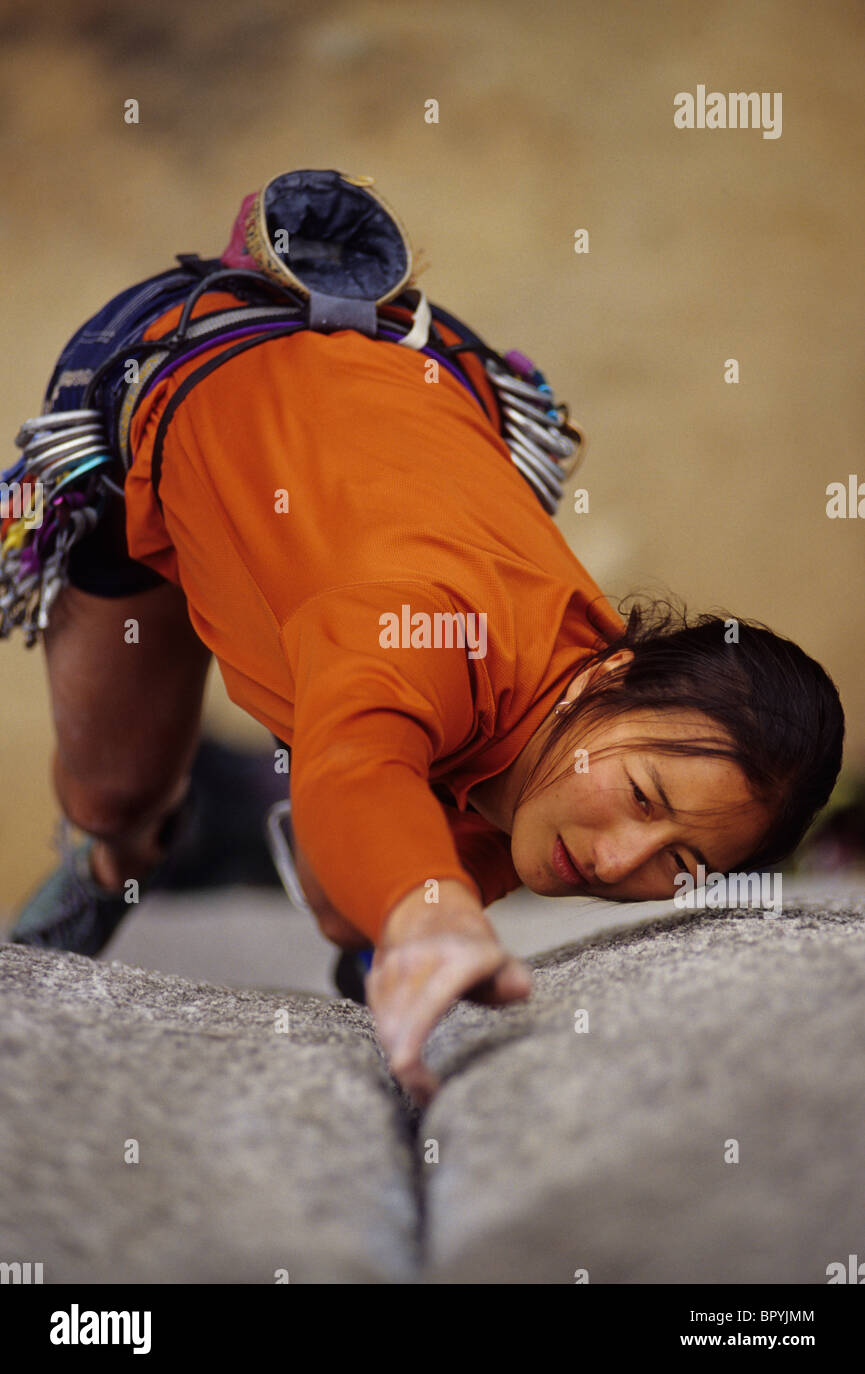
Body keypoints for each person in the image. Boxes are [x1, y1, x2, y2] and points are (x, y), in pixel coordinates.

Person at [2, 170, 844, 1105]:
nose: (615, 862)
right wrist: (429, 912)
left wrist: (400, 906)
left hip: (380, 471)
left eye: (678, 867)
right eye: (644, 795)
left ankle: (342, 868)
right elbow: (358, 768)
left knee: (354, 887)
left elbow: (427, 798)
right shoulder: (423, 625)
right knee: (116, 792)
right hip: (176, 376)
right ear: (606, 676)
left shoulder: (570, 735)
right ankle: (121, 851)